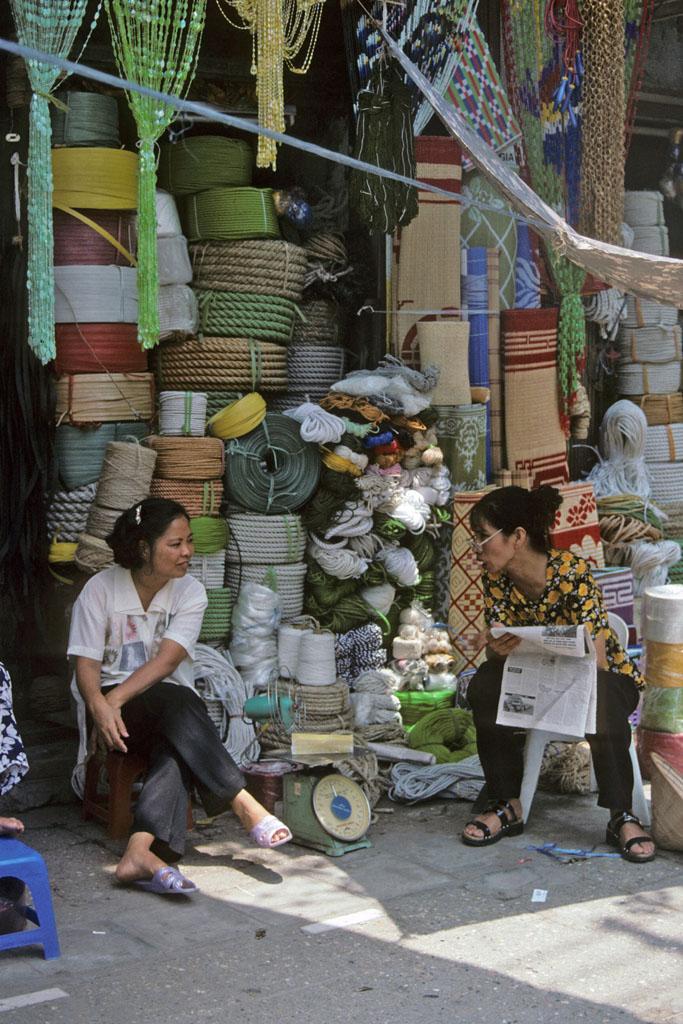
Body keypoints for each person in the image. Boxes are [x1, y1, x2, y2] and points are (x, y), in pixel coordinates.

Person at [68, 498, 292, 896]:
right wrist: (102, 707)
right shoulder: (99, 590)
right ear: (142, 548)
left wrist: (117, 698)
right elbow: (85, 665)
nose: (187, 551)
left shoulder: (190, 592)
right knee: (183, 707)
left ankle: (138, 852)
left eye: (188, 541)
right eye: (175, 544)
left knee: (176, 741)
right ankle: (241, 801)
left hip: (156, 702)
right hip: (107, 706)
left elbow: (167, 662)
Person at [461, 485, 655, 864]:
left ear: (517, 537)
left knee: (601, 695)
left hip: (602, 678)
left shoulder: (572, 573)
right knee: (484, 683)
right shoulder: (496, 581)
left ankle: (622, 815)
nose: (477, 550)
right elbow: (500, 650)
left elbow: (598, 661)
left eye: (484, 538)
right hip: (538, 680)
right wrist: (496, 649)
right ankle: (507, 803)